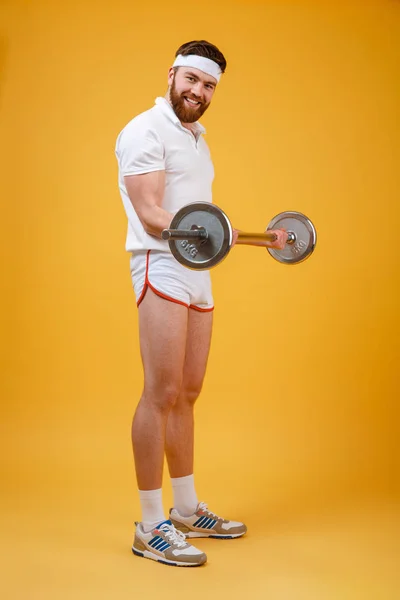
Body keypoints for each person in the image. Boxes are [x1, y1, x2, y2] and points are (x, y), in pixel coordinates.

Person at [115, 40, 288, 568]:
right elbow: (150, 213)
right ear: (171, 73)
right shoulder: (144, 129)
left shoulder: (195, 137)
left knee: (188, 392)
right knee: (161, 391)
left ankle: (186, 508)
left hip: (196, 267)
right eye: (191, 79)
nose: (198, 92)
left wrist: (256, 237)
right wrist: (210, 226)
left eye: (209, 85)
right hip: (160, 262)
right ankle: (150, 524)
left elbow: (197, 216)